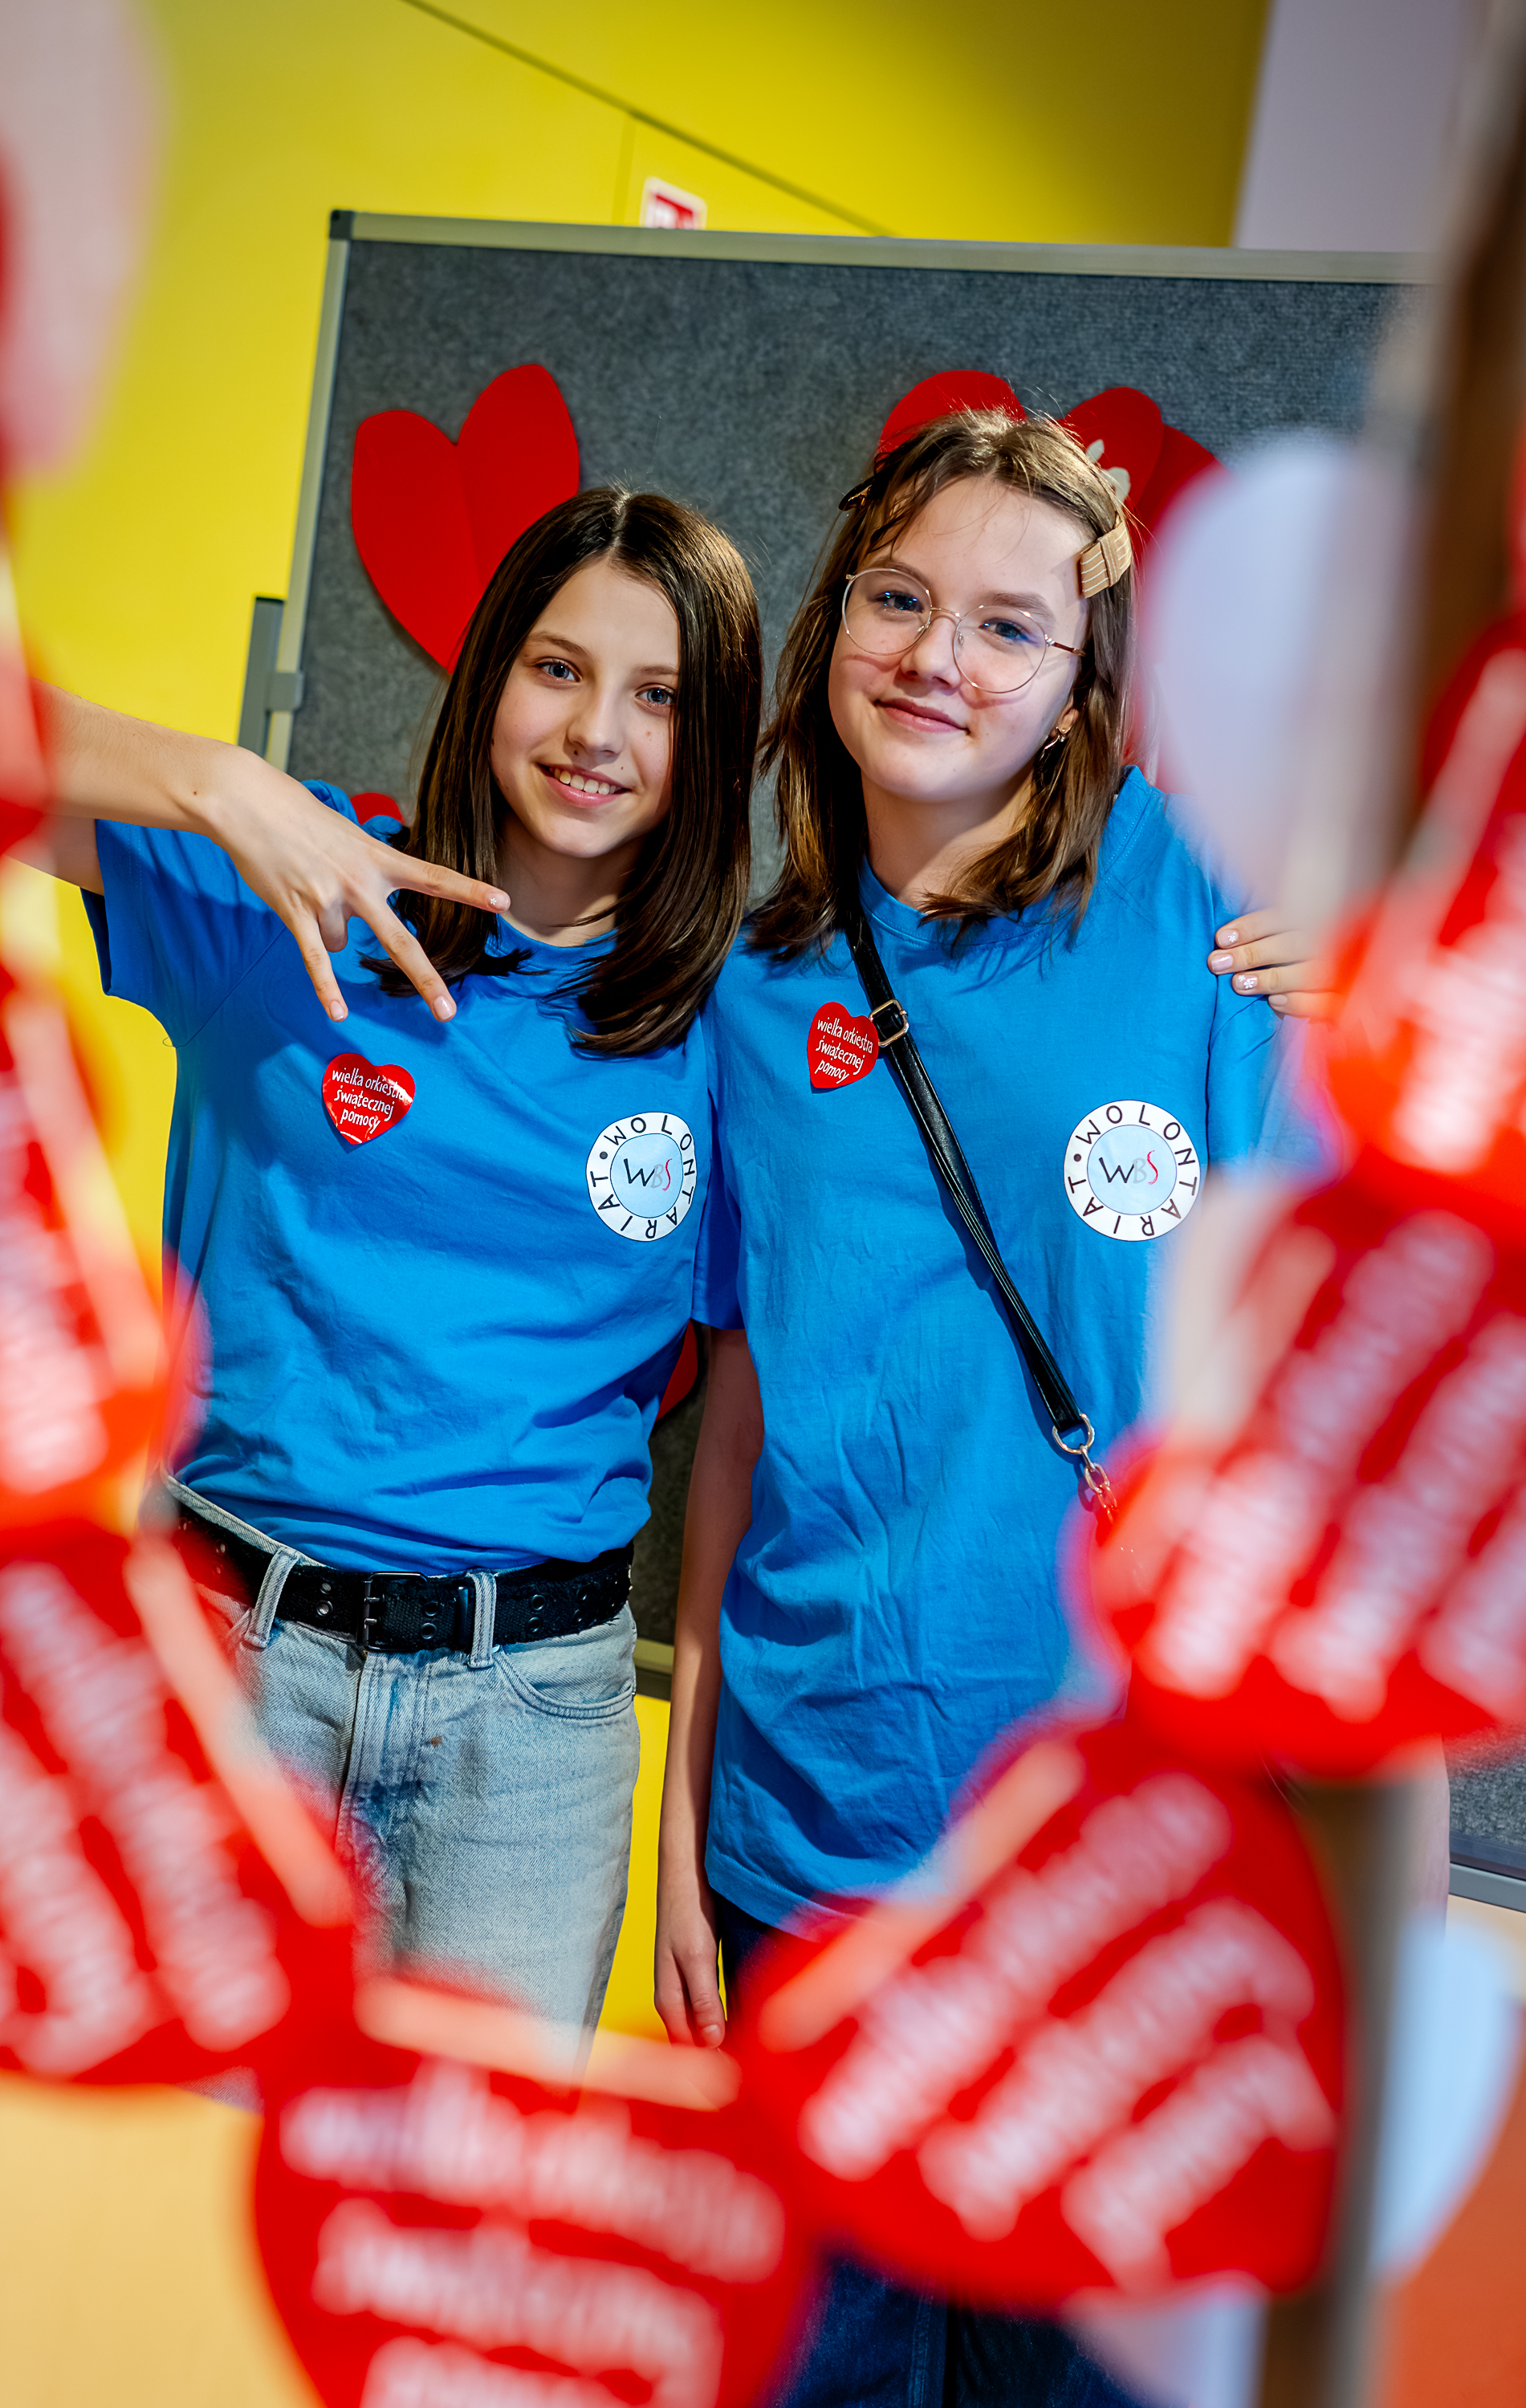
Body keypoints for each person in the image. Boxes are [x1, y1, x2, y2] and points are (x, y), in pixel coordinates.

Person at [652, 410, 1321, 2402]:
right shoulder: (753, 989)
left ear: (1080, 679)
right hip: (814, 1846)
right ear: (832, 623)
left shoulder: (1208, 910)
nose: (938, 656)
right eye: (898, 598)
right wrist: (682, 1824)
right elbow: (737, 1426)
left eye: (1010, 626)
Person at [25, 486, 761, 2032]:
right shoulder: (292, 895)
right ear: (490, 672)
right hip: (223, 1661)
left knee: (462, 2186)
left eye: (659, 696)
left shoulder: (741, 1038)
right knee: (162, 2163)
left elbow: (745, 1441)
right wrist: (224, 787)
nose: (597, 733)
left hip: (533, 1737)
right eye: (558, 668)